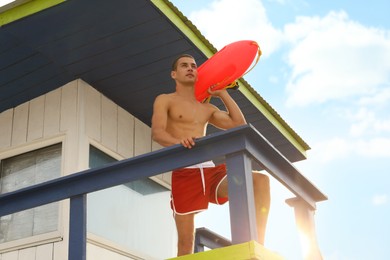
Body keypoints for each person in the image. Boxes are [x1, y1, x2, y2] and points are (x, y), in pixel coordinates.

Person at [151, 54, 271, 256]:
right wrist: (177, 142)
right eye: (184, 66)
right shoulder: (165, 100)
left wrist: (222, 93)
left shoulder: (207, 108)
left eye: (193, 66)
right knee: (186, 244)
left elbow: (238, 125)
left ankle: (257, 248)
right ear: (174, 74)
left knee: (260, 180)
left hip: (209, 170)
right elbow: (158, 133)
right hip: (184, 172)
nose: (190, 68)